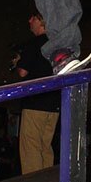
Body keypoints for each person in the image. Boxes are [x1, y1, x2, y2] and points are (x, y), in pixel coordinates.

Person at [12, 11, 61, 173]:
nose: (29, 20)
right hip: (54, 103)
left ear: (41, 22)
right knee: (45, 146)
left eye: (33, 18)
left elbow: (23, 72)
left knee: (31, 146)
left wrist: (19, 62)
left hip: (35, 102)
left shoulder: (33, 44)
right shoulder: (57, 44)